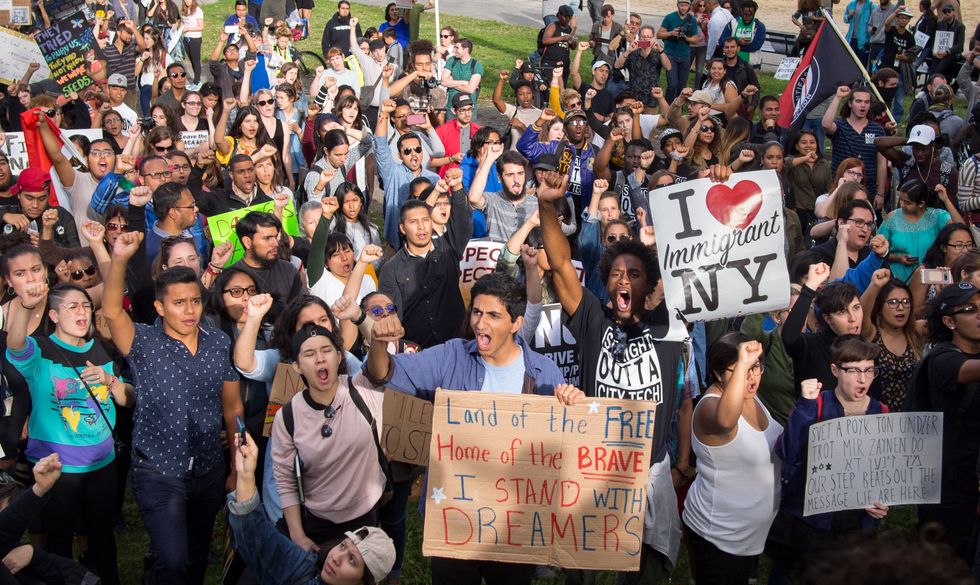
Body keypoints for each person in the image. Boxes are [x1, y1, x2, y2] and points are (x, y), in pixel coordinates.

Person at [364, 271, 569, 585]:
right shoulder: (452, 356)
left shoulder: (545, 373)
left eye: (493, 315)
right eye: (476, 312)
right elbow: (385, 374)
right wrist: (378, 344)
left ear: (516, 324)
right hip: (455, 517)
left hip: (515, 520)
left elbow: (563, 446)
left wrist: (573, 403)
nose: (480, 323)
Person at [537, 170, 690, 582]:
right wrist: (547, 206)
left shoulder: (669, 326)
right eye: (617, 274)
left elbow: (699, 257)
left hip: (648, 475)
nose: (624, 279)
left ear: (651, 285)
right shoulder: (591, 316)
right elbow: (559, 263)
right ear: (605, 282)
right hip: (592, 469)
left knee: (645, 574)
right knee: (580, 572)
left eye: (634, 274)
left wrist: (717, 183)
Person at [101, 231, 243, 585]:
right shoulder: (143, 341)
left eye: (195, 301)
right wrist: (119, 258)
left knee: (195, 558)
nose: (190, 310)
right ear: (161, 307)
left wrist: (238, 467)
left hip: (208, 469)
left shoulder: (218, 342)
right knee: (174, 560)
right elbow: (111, 311)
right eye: (179, 303)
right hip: (159, 471)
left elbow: (232, 407)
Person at [5, 282, 134, 585]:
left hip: (102, 463)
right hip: (57, 467)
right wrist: (24, 307)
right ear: (53, 314)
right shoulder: (40, 351)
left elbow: (128, 399)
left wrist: (111, 381)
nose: (82, 312)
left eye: (86, 306)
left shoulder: (101, 348)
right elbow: (14, 346)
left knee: (101, 534)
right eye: (72, 306)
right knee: (59, 538)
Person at [773, 335, 890, 581]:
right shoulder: (816, 405)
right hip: (814, 523)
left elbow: (885, 468)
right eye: (854, 370)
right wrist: (805, 406)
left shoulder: (881, 412)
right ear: (835, 370)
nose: (863, 379)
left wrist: (883, 500)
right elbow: (787, 451)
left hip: (859, 523)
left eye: (869, 371)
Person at [228, 423, 396, 585]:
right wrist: (246, 475)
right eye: (343, 546)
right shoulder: (303, 569)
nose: (336, 558)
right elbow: (258, 540)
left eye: (352, 560)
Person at [684, 334, 781, 585]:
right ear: (718, 374)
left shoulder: (752, 396)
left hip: (747, 539)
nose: (752, 376)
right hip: (719, 537)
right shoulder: (710, 407)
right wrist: (743, 363)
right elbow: (726, 422)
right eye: (742, 369)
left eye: (757, 367)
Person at [378, 169, 472, 348]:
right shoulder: (391, 270)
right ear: (402, 228)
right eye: (413, 222)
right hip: (417, 352)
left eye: (426, 220)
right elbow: (391, 319)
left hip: (456, 345)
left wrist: (458, 187)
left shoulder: (449, 247)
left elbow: (463, 221)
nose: (421, 227)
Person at [879, 180, 961, 282]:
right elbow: (877, 250)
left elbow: (961, 230)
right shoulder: (892, 218)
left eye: (907, 202)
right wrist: (898, 258)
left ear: (921, 204)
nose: (902, 205)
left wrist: (946, 200)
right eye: (901, 200)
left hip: (930, 279)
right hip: (898, 280)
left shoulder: (937, 216)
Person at [231, 211, 305, 313]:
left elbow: (301, 311)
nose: (275, 243)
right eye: (267, 238)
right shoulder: (230, 278)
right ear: (247, 242)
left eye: (275, 237)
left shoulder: (289, 270)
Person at [823, 85, 888, 199]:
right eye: (858, 101)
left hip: (867, 189)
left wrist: (880, 193)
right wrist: (838, 97)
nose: (863, 105)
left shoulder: (877, 129)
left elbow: (882, 163)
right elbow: (826, 124)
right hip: (841, 188)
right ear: (850, 104)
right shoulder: (840, 125)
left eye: (866, 102)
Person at [441, 39, 484, 122]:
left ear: (466, 49)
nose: (454, 50)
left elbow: (470, 89)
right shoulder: (452, 60)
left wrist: (451, 82)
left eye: (457, 48)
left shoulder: (476, 65)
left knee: (470, 133)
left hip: (468, 109)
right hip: (452, 107)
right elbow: (443, 81)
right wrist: (464, 82)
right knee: (451, 133)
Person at [930, 3, 965, 80]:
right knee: (932, 67)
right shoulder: (940, 24)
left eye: (949, 11)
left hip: (952, 54)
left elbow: (960, 45)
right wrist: (933, 50)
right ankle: (929, 86)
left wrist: (947, 52)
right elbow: (935, 39)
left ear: (953, 12)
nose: (947, 13)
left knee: (939, 69)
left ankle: (934, 83)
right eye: (945, 12)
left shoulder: (960, 27)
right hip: (939, 52)